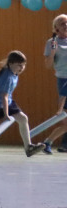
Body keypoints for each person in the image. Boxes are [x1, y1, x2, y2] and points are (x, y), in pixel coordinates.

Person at [43, 14, 67, 153]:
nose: (65, 25)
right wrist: (52, 52)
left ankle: (47, 142)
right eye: (62, 23)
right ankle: (48, 142)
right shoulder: (52, 42)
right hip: (64, 80)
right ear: (56, 28)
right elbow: (48, 65)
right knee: (65, 121)